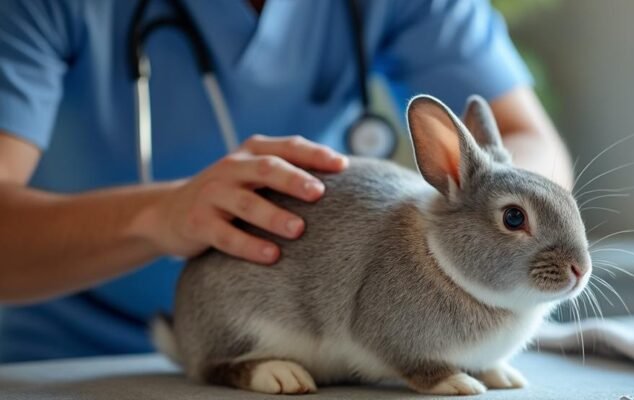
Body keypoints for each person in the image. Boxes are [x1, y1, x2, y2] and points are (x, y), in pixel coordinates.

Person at [0, 0, 572, 362]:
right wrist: (160, 215)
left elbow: (531, 144)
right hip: (63, 358)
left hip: (333, 358)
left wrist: (468, 206)